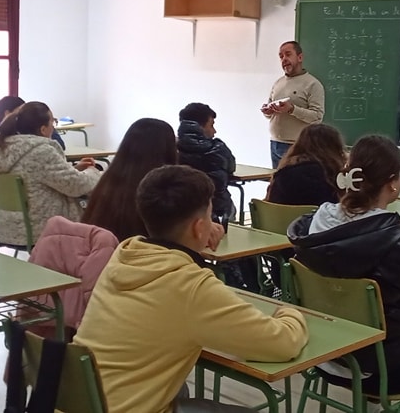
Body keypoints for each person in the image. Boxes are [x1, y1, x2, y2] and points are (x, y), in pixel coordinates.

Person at [73, 165, 309, 413]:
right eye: (209, 217)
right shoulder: (190, 286)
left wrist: (192, 249)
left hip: (83, 401)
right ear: (198, 227)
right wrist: (290, 311)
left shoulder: (125, 256)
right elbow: (283, 343)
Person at [287, 135, 400, 413]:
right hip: (380, 370)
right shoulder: (398, 243)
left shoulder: (314, 224)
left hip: (323, 354)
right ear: (393, 183)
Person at [0, 101, 101, 246]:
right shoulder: (41, 151)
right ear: (43, 129)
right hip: (40, 229)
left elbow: (33, 178)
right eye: (53, 122)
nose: (53, 126)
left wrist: (74, 169)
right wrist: (94, 172)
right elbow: (77, 186)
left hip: (5, 229)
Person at [80, 118, 177, 242]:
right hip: (141, 256)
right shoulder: (161, 187)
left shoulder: (108, 180)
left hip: (101, 254)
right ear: (168, 150)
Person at [261, 41, 325, 168]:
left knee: (295, 185)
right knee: (278, 185)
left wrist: (292, 109)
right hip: (275, 143)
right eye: (281, 56)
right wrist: (268, 112)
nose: (284, 59)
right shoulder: (278, 83)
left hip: (298, 146)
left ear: (300, 57)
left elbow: (317, 117)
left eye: (288, 54)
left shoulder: (313, 84)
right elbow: (271, 114)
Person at [177, 102, 236, 221]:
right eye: (211, 125)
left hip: (180, 210)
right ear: (201, 127)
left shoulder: (171, 147)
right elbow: (231, 168)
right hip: (218, 209)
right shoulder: (218, 149)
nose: (214, 131)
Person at [266, 123, 346, 206]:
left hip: (282, 218)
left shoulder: (283, 174)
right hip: (318, 218)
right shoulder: (335, 178)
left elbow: (270, 201)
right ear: (336, 148)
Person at [0, 95, 66, 149]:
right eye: (19, 111)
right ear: (7, 113)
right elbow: (59, 147)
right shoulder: (43, 150)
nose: (22, 115)